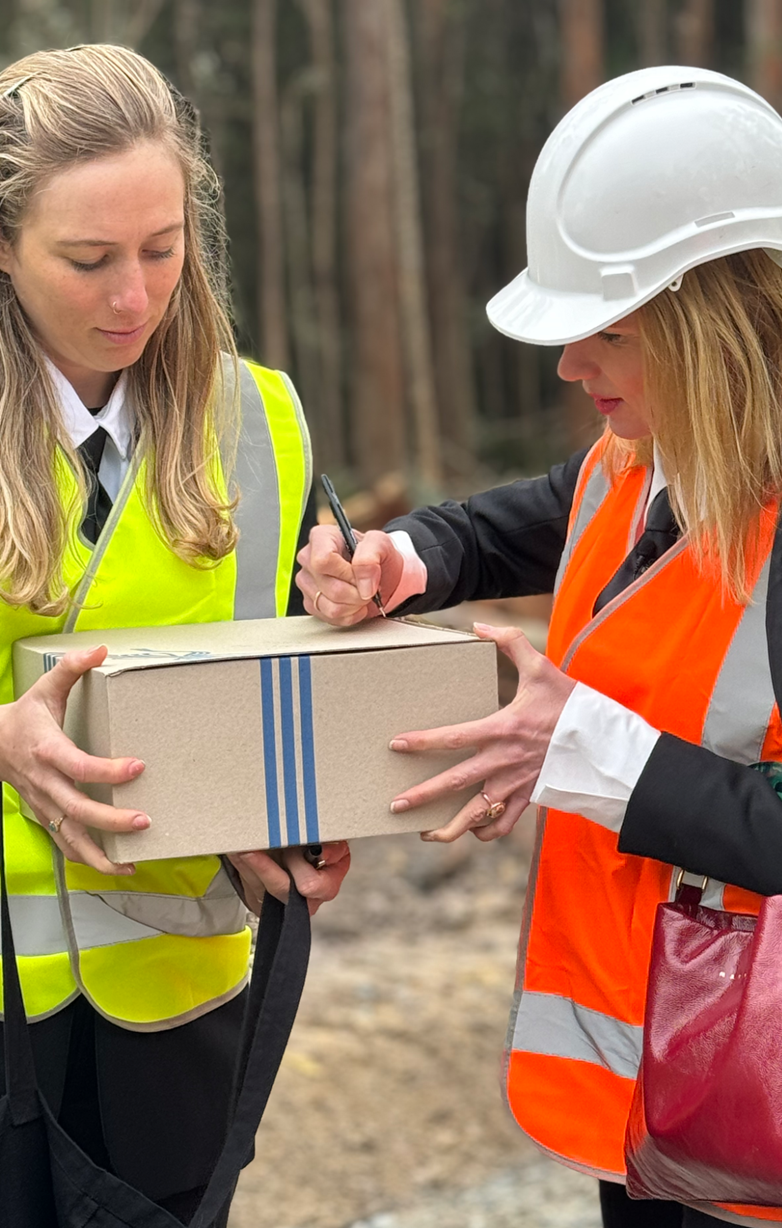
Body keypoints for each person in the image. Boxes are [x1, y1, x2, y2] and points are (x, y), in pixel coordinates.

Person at [297, 67, 782, 1228]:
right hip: (652, 1109)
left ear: (706, 323)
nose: (570, 368)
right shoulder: (644, 457)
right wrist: (406, 557)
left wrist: (578, 744)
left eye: (603, 335)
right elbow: (523, 520)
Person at [0, 45, 350, 1223]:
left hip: (182, 1010)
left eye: (162, 248)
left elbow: (293, 690)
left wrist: (297, 820)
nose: (135, 297)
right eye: (89, 260)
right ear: (3, 247)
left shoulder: (264, 426)